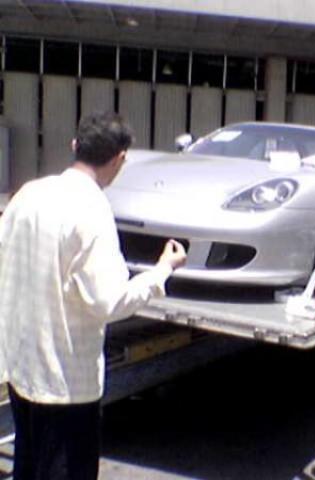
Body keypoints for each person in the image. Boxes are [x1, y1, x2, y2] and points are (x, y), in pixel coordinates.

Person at [0, 112, 187, 480]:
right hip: (67, 385)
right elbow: (109, 301)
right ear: (119, 159)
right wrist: (163, 269)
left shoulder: (28, 194)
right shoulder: (92, 210)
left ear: (75, 146)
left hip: (22, 372)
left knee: (28, 467)